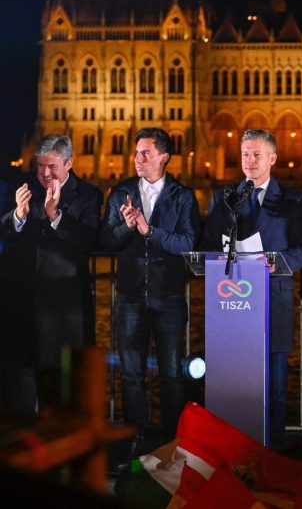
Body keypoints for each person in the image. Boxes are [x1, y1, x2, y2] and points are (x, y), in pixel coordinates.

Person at [199, 129, 302, 449]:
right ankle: (232, 448)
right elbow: (208, 246)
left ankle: (271, 451)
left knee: (275, 386)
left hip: (272, 300)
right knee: (234, 383)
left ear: (272, 159)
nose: (249, 160)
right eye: (245, 154)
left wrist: (277, 262)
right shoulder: (223, 199)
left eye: (256, 154)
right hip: (232, 306)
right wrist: (219, 257)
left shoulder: (294, 201)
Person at [99, 128, 200, 455]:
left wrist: (149, 230)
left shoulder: (182, 196)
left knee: (171, 374)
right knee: (131, 374)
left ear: (163, 157)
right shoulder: (121, 193)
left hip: (169, 296)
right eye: (136, 152)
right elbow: (106, 240)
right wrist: (126, 227)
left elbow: (188, 243)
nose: (137, 158)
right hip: (130, 296)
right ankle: (135, 440)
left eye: (145, 153)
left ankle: (172, 442)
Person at [0, 134, 102, 414]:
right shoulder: (21, 186)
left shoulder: (88, 194)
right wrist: (18, 216)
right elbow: (5, 231)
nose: (45, 173)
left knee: (62, 383)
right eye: (40, 166)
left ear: (69, 163)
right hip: (24, 301)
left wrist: (55, 215)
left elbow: (88, 240)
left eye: (52, 166)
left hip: (64, 306)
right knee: (21, 377)